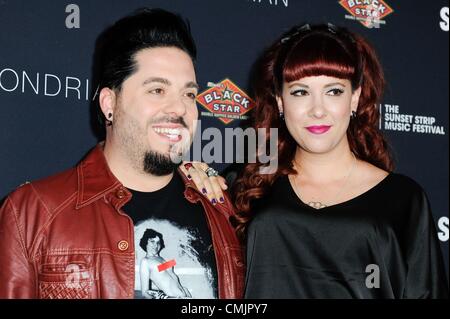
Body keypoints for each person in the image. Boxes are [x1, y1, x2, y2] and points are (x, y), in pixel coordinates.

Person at [0, 8, 244, 299]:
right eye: (157, 90)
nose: (180, 108)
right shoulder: (31, 214)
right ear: (109, 104)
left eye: (189, 94)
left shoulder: (220, 208)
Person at [198, 23, 449, 298]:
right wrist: (191, 176)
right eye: (300, 92)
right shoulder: (248, 183)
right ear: (280, 101)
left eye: (333, 91)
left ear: (354, 98)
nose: (317, 110)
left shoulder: (403, 199)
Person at [139, 229, 191, 299]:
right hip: (174, 297)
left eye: (158, 242)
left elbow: (170, 276)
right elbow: (144, 292)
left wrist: (185, 291)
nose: (156, 245)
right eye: (152, 241)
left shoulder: (162, 259)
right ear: (145, 242)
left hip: (185, 294)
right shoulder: (145, 261)